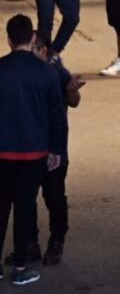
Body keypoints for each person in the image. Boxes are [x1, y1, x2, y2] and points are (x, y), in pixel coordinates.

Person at [0, 15, 63, 286]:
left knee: (0, 208)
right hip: (34, 153)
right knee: (25, 209)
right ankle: (21, 266)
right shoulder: (46, 72)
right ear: (33, 38)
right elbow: (56, 116)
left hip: (2, 152)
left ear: (9, 39)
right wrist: (55, 149)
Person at [29, 36, 83, 267]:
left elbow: (74, 101)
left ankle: (56, 240)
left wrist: (71, 90)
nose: (29, 53)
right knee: (26, 199)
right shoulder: (23, 72)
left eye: (34, 49)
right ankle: (30, 243)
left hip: (54, 146)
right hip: (28, 147)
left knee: (54, 196)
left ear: (44, 51)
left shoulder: (58, 72)